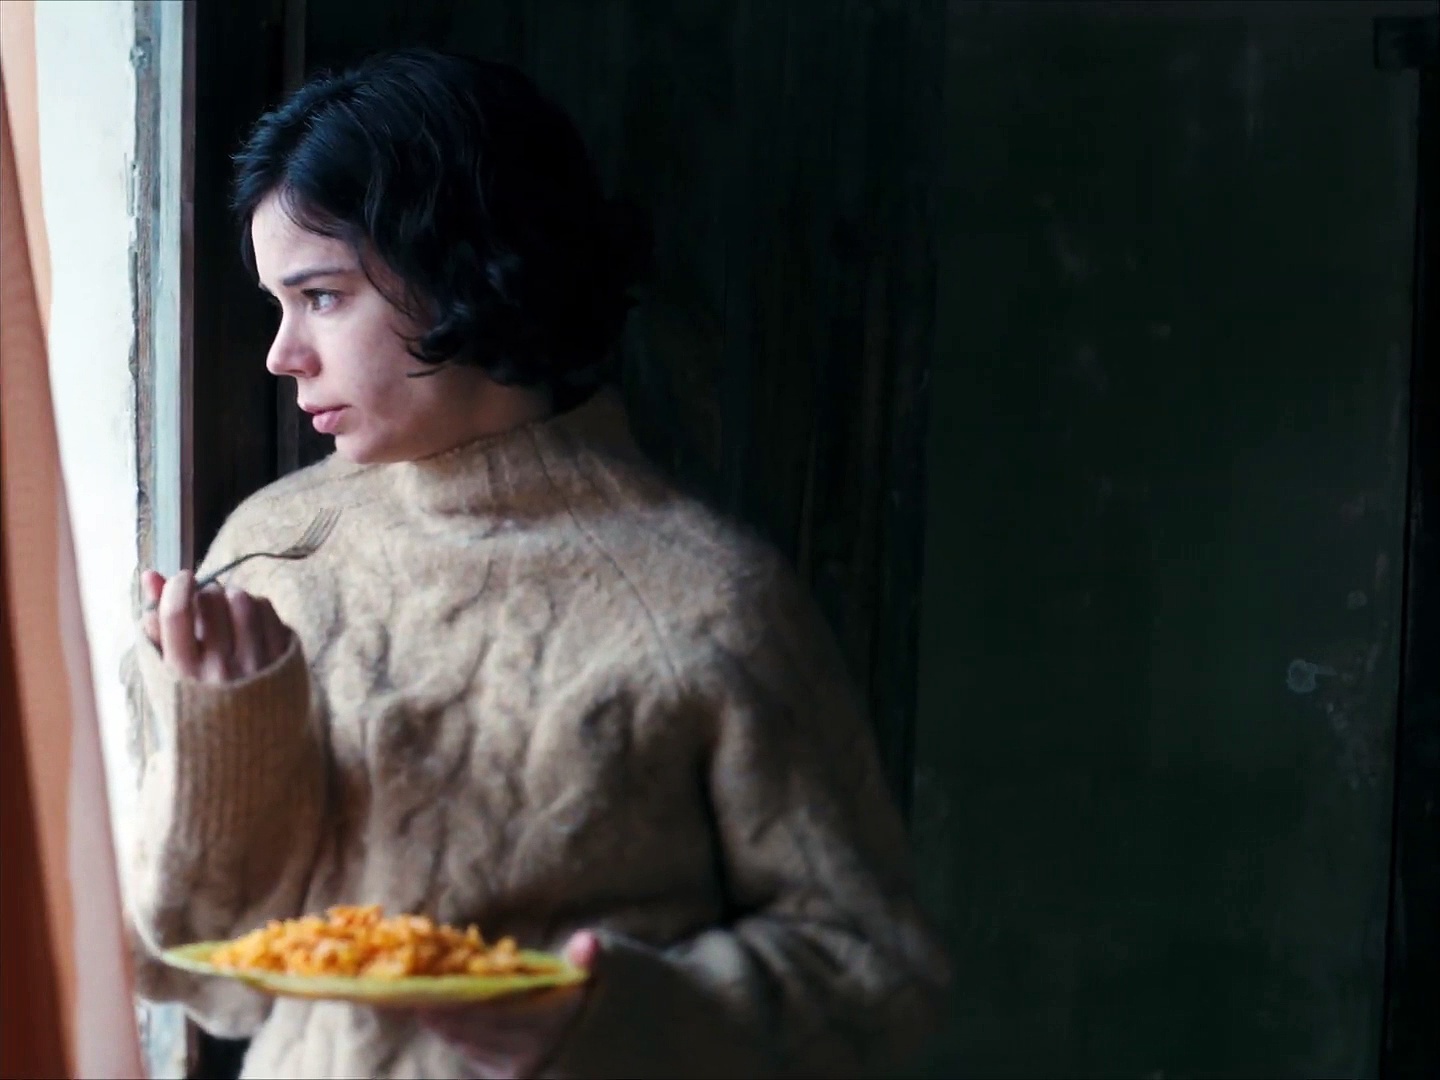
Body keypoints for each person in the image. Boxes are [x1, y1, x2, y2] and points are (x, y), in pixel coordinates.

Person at [122, 47, 948, 1079]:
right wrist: (230, 733)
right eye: (277, 305)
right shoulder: (270, 551)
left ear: (459, 268)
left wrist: (610, 1020)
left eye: (321, 297)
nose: (280, 353)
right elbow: (206, 977)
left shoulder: (707, 601)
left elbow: (877, 975)